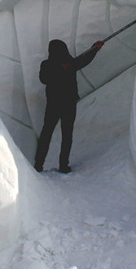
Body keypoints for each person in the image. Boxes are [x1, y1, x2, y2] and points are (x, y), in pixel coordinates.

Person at [34, 38, 104, 173]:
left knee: (57, 134)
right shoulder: (51, 65)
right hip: (61, 104)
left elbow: (84, 60)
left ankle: (53, 165)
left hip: (61, 104)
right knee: (56, 134)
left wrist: (95, 48)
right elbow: (44, 78)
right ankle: (48, 165)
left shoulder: (67, 63)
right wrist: (60, 68)